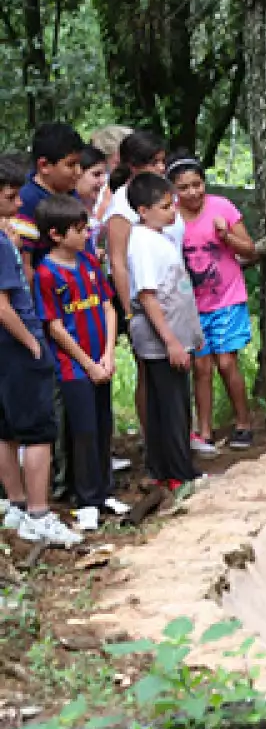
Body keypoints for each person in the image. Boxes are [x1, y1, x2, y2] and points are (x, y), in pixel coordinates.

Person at [0, 157, 81, 547]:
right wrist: (32, 343)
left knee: (6, 429)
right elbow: (1, 303)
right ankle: (38, 512)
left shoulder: (4, 236)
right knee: (38, 432)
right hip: (17, 344)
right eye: (11, 197)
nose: (19, 206)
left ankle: (15, 505)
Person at [33, 194, 127, 528]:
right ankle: (85, 497)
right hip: (75, 366)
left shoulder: (89, 263)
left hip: (101, 360)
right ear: (56, 234)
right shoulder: (46, 273)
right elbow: (55, 326)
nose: (87, 234)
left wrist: (108, 354)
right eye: (78, 229)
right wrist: (88, 363)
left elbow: (107, 306)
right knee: (82, 428)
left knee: (103, 424)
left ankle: (104, 491)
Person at [169, 158, 257, 452]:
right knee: (201, 366)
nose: (193, 192)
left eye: (197, 185)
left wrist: (226, 236)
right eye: (184, 188)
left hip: (227, 297)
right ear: (173, 190)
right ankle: (204, 432)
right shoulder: (169, 217)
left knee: (226, 361)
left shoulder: (222, 207)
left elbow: (250, 249)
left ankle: (243, 422)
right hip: (191, 304)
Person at [124, 172, 202, 491]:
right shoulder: (142, 243)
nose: (173, 211)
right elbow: (147, 294)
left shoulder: (160, 237)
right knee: (171, 404)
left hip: (174, 331)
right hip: (161, 336)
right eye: (165, 206)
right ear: (143, 210)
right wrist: (171, 342)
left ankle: (165, 468)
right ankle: (178, 472)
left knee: (170, 401)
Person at [103, 130, 177, 448]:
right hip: (141, 296)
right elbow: (118, 264)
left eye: (163, 161)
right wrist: (130, 311)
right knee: (150, 367)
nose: (161, 168)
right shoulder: (122, 206)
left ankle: (174, 431)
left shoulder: (162, 194)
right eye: (153, 163)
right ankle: (154, 438)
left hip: (171, 291)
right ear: (133, 166)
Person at [13, 122, 85, 271]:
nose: (79, 172)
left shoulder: (71, 193)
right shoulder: (26, 201)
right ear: (44, 165)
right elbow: (26, 264)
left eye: (79, 164)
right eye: (71, 165)